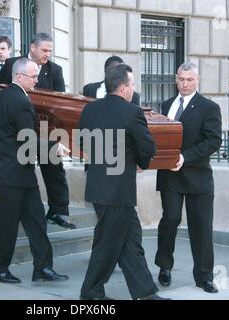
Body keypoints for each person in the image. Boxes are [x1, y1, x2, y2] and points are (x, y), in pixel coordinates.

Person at [77, 64, 167, 300]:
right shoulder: (132, 112)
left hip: (99, 187)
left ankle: (145, 293)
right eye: (133, 84)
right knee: (108, 244)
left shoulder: (89, 110)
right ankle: (90, 292)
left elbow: (84, 144)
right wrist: (140, 163)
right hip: (117, 191)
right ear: (124, 87)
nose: (134, 89)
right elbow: (147, 146)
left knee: (131, 240)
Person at [0, 57, 69, 284]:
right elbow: (27, 139)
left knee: (37, 221)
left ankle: (43, 268)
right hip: (12, 174)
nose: (37, 80)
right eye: (33, 76)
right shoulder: (20, 100)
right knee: (7, 225)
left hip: (17, 172)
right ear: (20, 76)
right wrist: (54, 147)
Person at [155, 62, 222, 294]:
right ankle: (164, 266)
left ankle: (204, 276)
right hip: (169, 177)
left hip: (198, 178)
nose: (184, 84)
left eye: (189, 80)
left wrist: (185, 157)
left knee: (201, 227)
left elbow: (213, 141)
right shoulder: (165, 105)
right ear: (176, 79)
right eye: (181, 79)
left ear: (198, 79)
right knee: (170, 220)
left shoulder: (209, 107)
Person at [0, 32, 75, 229]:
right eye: (44, 50)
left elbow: (60, 100)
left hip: (46, 127)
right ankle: (19, 206)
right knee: (20, 166)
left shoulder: (55, 70)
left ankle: (58, 211)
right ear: (33, 48)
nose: (48, 54)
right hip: (18, 126)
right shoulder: (13, 65)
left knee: (54, 169)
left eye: (50, 50)